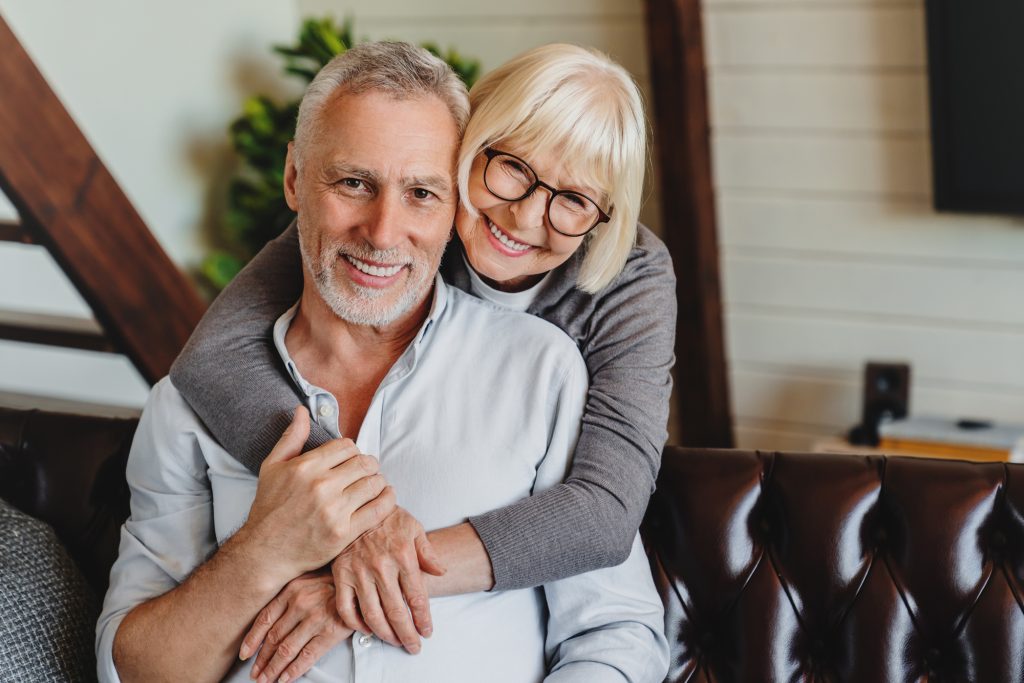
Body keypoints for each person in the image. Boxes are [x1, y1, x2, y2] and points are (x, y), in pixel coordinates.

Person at [97, 41, 668, 683]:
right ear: (294, 180)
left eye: (422, 192)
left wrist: (379, 569)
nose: (383, 230)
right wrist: (266, 550)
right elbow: (137, 670)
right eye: (352, 183)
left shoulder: (548, 370)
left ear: (447, 202)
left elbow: (613, 620)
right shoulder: (195, 398)